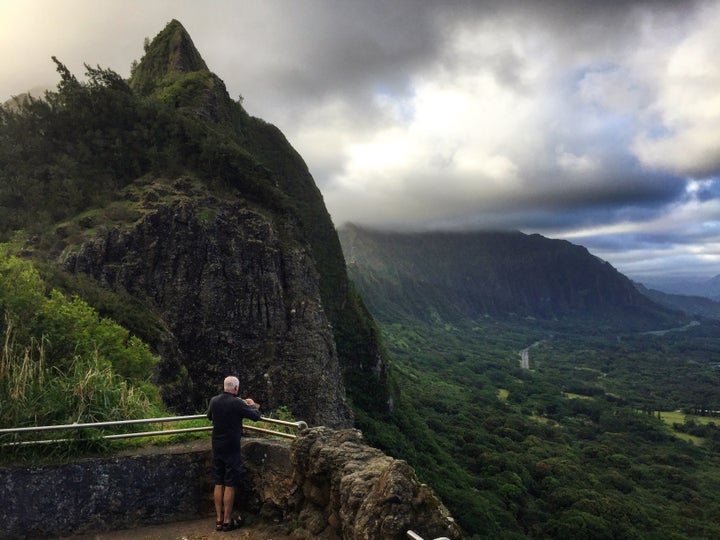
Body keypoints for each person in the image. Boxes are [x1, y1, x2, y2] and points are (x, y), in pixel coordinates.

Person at [207, 375, 261, 532]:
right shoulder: (237, 403)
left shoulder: (214, 400)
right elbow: (256, 417)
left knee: (218, 482)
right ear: (236, 389)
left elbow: (209, 416)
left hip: (217, 446)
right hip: (232, 447)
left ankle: (218, 519)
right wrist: (252, 405)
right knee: (230, 483)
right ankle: (227, 521)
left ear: (224, 386)